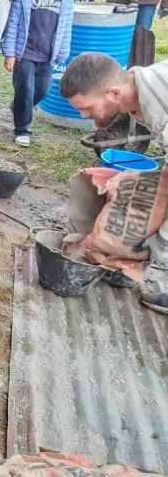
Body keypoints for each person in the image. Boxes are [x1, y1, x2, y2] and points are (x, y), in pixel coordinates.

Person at [60, 52, 168, 313]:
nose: (84, 115)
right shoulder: (143, 87)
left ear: (114, 94)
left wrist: (162, 240)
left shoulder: (161, 111)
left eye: (87, 107)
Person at [1, 0, 74, 148]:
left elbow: (66, 25)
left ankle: (17, 107)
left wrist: (62, 52)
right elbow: (13, 23)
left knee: (43, 89)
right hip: (25, 52)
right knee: (25, 89)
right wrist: (10, 54)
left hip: (47, 55)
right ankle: (23, 129)